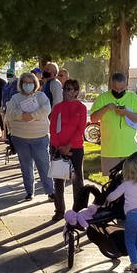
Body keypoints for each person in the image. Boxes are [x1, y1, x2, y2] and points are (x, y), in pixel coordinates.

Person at [4, 72, 55, 201]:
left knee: (44, 165)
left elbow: (46, 110)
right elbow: (9, 114)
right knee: (26, 166)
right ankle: (29, 191)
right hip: (20, 138)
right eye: (25, 83)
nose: (28, 85)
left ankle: (50, 191)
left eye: (30, 83)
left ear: (35, 83)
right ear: (21, 84)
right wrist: (22, 116)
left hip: (40, 137)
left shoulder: (41, 96)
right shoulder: (15, 98)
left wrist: (32, 115)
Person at [105, 153, 137, 273]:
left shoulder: (126, 185)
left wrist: (107, 197)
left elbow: (112, 197)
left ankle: (134, 264)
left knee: (130, 241)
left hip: (132, 216)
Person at [90, 73, 137, 174]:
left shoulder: (133, 98)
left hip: (130, 151)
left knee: (132, 184)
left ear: (126, 85)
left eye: (122, 88)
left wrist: (126, 112)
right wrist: (105, 108)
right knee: (111, 185)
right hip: (109, 151)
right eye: (115, 88)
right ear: (111, 84)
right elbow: (93, 119)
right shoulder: (102, 98)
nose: (118, 91)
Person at [50, 79, 87, 222]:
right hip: (58, 148)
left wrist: (69, 146)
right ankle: (59, 210)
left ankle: (79, 211)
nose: (67, 92)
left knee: (77, 181)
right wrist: (60, 147)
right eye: (65, 89)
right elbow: (53, 129)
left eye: (70, 89)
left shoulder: (81, 108)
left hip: (75, 148)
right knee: (58, 181)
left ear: (76, 92)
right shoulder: (58, 108)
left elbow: (80, 129)